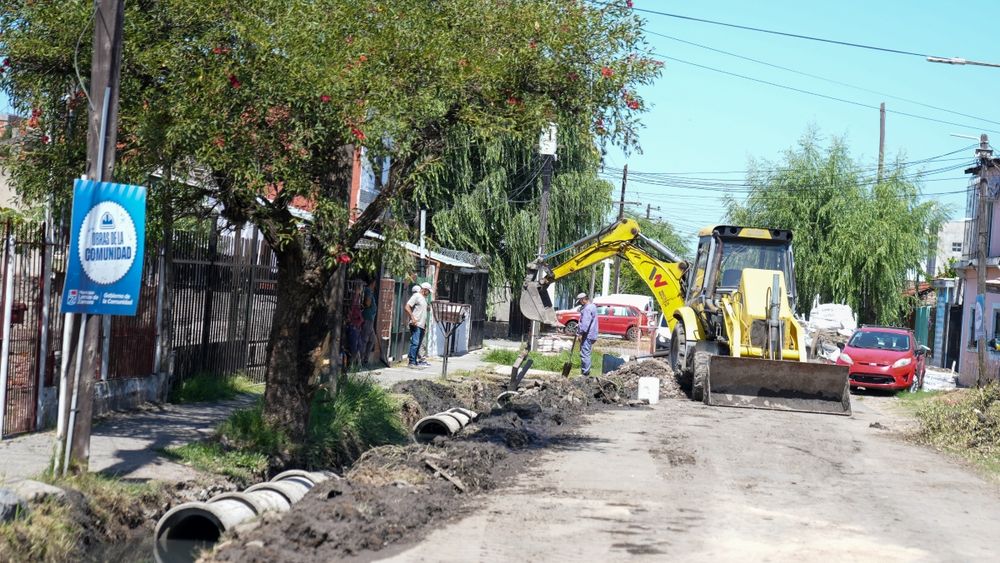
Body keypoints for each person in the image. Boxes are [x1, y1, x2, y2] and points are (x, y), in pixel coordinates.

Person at [404, 283, 430, 368]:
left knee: (418, 344)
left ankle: (414, 361)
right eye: (428, 291)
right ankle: (411, 362)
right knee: (415, 343)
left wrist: (425, 325)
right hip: (416, 324)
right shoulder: (416, 296)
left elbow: (423, 313)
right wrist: (413, 317)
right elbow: (407, 306)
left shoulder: (424, 299)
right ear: (425, 289)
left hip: (422, 325)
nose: (429, 293)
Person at [576, 292, 599, 376]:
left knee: (585, 353)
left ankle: (585, 373)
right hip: (592, 333)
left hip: (587, 334)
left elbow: (586, 323)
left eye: (580, 301)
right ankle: (585, 372)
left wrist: (580, 333)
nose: (580, 303)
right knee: (586, 353)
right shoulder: (593, 306)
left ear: (583, 300)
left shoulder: (587, 309)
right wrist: (579, 324)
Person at [358, 277, 378, 366]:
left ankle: (365, 359)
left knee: (372, 339)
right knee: (365, 339)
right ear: (373, 283)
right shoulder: (369, 291)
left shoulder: (370, 291)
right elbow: (368, 303)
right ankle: (361, 360)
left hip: (370, 318)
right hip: (367, 318)